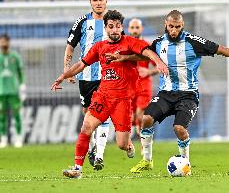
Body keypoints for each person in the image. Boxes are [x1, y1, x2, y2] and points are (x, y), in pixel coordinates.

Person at [127, 10, 229, 173]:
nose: (174, 30)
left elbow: (222, 49)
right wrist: (123, 58)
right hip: (165, 94)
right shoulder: (159, 42)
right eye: (171, 26)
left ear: (183, 26)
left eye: (178, 27)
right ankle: (147, 160)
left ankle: (186, 163)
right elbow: (145, 56)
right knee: (145, 119)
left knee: (179, 129)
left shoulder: (193, 42)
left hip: (188, 95)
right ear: (165, 24)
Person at [51, 10, 169, 179]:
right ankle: (77, 168)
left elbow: (147, 52)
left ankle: (128, 145)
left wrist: (158, 62)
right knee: (86, 126)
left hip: (122, 101)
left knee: (121, 144)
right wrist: (64, 76)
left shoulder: (129, 42)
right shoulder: (99, 47)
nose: (115, 30)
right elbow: (81, 64)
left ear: (122, 27)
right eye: (111, 27)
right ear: (105, 28)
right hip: (103, 96)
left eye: (118, 26)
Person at [64, 0, 110, 170]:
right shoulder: (82, 22)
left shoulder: (113, 22)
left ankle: (99, 154)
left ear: (106, 1)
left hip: (107, 76)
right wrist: (67, 71)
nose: (98, 3)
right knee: (88, 114)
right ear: (90, 2)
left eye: (101, 0)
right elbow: (70, 47)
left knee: (103, 112)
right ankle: (91, 148)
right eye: (95, 0)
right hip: (86, 76)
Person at [127, 18, 158, 139]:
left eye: (137, 28)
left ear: (142, 29)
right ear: (129, 29)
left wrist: (149, 71)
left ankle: (144, 146)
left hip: (144, 85)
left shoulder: (147, 47)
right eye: (133, 28)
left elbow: (160, 67)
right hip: (128, 86)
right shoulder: (125, 46)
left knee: (141, 116)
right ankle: (140, 141)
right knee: (132, 118)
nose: (135, 30)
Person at [0, 34, 26, 148]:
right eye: (1, 42)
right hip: (1, 91)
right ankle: (3, 139)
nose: (3, 44)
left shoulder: (15, 56)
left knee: (17, 115)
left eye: (5, 41)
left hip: (14, 91)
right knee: (1, 117)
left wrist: (22, 87)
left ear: (8, 43)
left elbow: (21, 73)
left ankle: (19, 138)